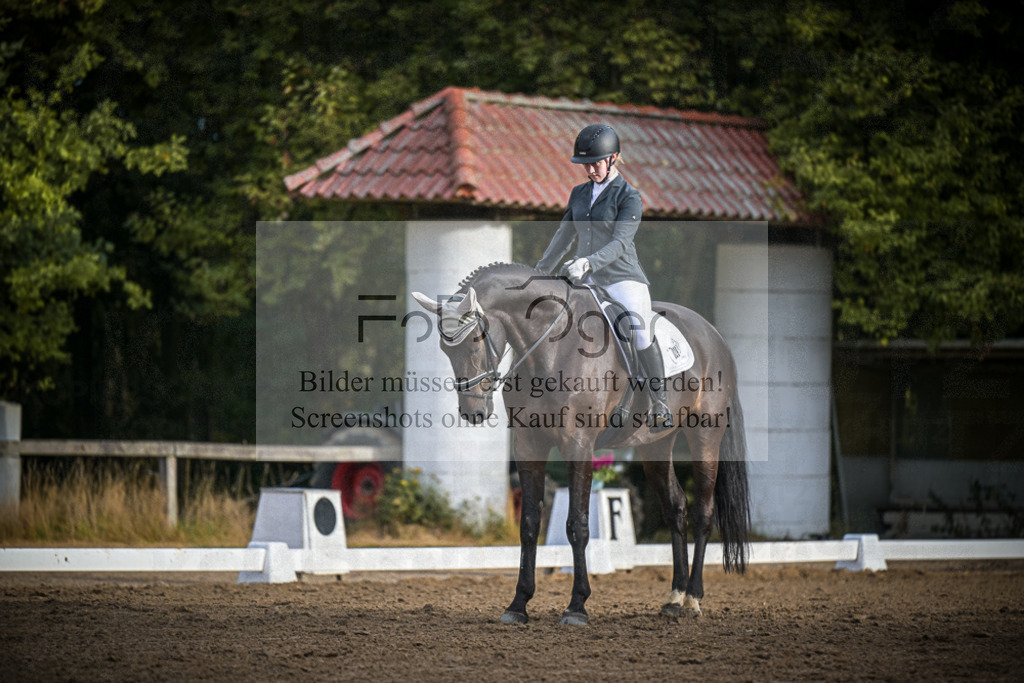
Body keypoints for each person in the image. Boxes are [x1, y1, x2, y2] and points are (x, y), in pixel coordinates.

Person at [535, 123, 673, 429]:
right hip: (587, 279)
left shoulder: (629, 197)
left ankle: (659, 402)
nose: (590, 170)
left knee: (638, 329)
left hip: (622, 278)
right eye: (586, 165)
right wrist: (540, 271)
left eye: (596, 163)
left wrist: (587, 263)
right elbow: (563, 235)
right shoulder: (579, 194)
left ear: (613, 159)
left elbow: (620, 243)